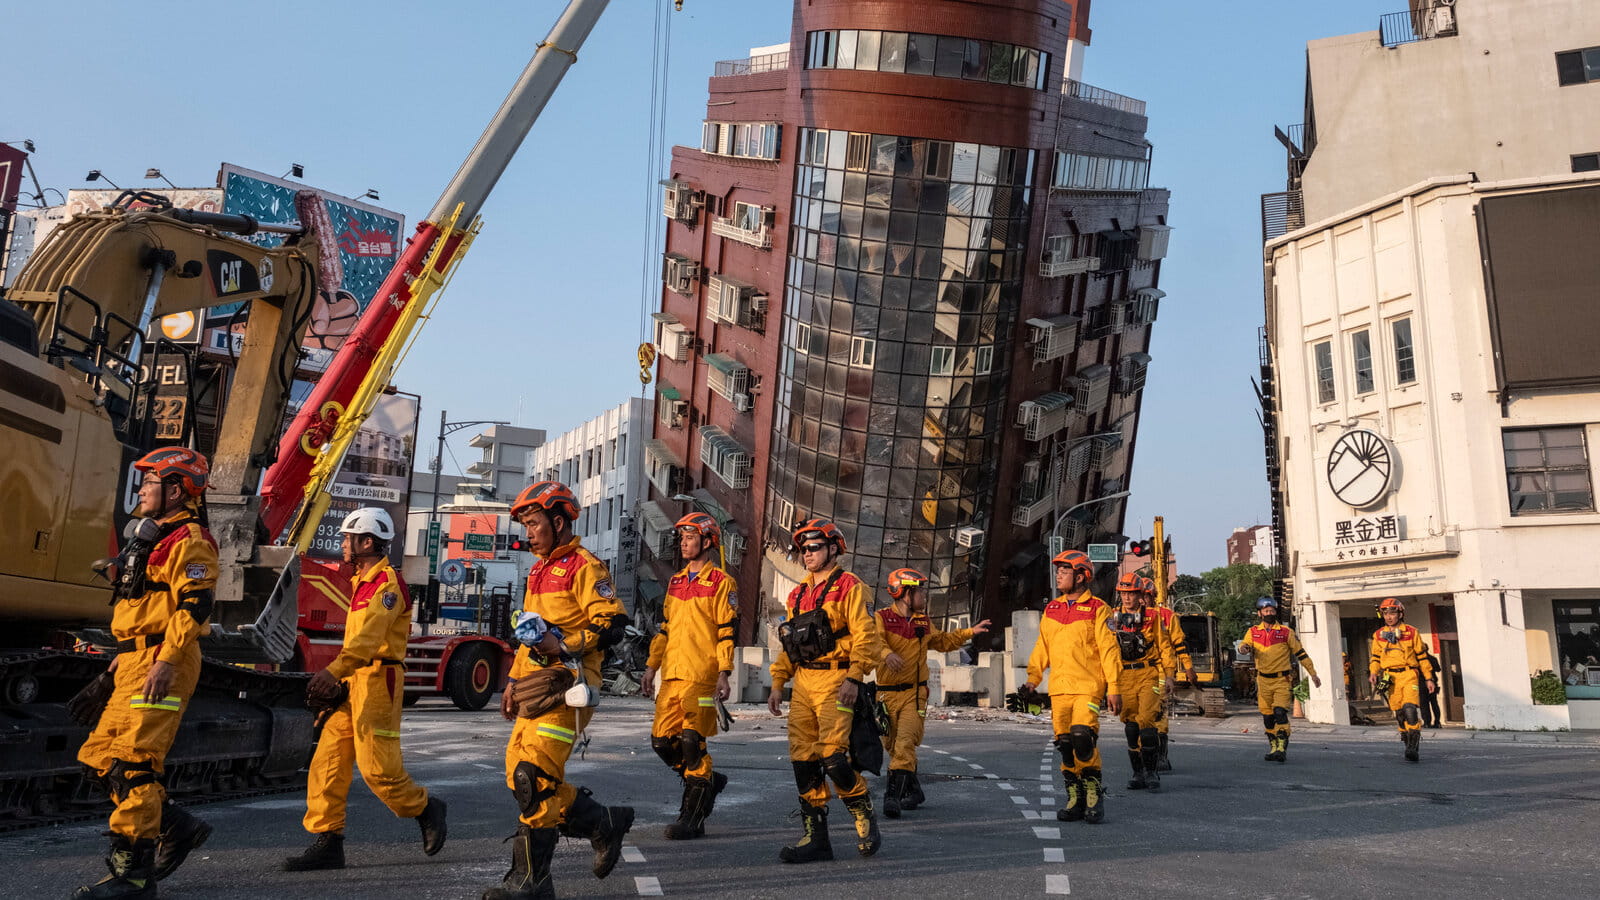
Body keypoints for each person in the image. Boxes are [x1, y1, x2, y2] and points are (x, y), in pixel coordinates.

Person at [74, 448, 218, 899]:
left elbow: (195, 606)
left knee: (134, 763)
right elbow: (146, 604)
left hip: (165, 661)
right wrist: (125, 653)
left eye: (151, 482)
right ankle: (177, 825)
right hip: (138, 659)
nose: (142, 490)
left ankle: (133, 877)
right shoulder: (153, 537)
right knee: (102, 759)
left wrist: (164, 660)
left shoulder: (191, 540)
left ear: (175, 490)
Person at [483, 481, 634, 900]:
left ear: (559, 520)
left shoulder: (585, 566)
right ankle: (603, 822)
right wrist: (512, 682)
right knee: (522, 777)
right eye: (527, 524)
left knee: (533, 777)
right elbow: (530, 634)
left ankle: (531, 882)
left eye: (534, 523)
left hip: (570, 686)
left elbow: (613, 626)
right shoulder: (538, 570)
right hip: (534, 686)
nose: (529, 532)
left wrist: (565, 644)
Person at [284, 507, 446, 871]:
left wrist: (332, 671)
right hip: (353, 680)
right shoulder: (362, 580)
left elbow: (369, 640)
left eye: (347, 538)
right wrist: (341, 677)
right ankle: (328, 840)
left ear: (367, 542)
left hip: (378, 682)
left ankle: (424, 807)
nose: (343, 544)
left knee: (378, 769)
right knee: (328, 760)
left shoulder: (386, 584)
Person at [767, 518, 883, 863]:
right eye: (803, 549)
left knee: (834, 758)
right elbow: (790, 643)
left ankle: (862, 810)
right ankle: (816, 838)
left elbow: (867, 636)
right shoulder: (798, 594)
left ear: (834, 548)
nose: (807, 554)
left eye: (814, 547)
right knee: (803, 761)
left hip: (837, 680)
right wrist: (777, 683)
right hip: (803, 682)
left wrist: (855, 677)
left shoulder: (850, 586)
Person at [639, 512, 736, 840]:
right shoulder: (676, 581)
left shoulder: (722, 583)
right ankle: (707, 781)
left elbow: (726, 631)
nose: (683, 543)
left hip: (703, 675)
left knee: (692, 742)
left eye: (690, 537)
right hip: (673, 675)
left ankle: (691, 819)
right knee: (662, 743)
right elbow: (664, 630)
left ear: (708, 542)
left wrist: (725, 672)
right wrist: (652, 667)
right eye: (682, 538)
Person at [874, 567, 989, 817]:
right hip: (884, 695)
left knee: (905, 744)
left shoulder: (923, 623)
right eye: (919, 591)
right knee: (893, 747)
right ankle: (914, 791)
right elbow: (874, 642)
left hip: (914, 695)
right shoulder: (882, 618)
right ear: (904, 593)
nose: (924, 596)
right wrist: (887, 654)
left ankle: (891, 797)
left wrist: (970, 632)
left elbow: (944, 641)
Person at [1019, 550, 1122, 824]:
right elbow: (1042, 647)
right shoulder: (1052, 609)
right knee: (1065, 745)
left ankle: (1093, 794)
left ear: (1081, 576)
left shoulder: (1100, 609)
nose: (1059, 575)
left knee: (1082, 738)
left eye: (1065, 571)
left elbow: (1110, 651)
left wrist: (1114, 687)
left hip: (1088, 686)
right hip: (1059, 688)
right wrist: (1033, 679)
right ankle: (1074, 797)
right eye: (1058, 570)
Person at [1110, 573, 1175, 791]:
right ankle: (1137, 773)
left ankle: (1151, 771)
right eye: (1123, 593)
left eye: (1132, 593)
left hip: (1148, 674)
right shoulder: (1112, 617)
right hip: (1124, 676)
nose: (1127, 598)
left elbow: (1165, 646)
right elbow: (1105, 649)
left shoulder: (1153, 617)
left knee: (1147, 724)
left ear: (1141, 595)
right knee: (1131, 727)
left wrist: (1169, 675)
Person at [1239, 597, 1321, 763]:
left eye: (1272, 611)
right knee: (1267, 716)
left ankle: (1282, 747)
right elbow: (1244, 645)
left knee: (1280, 712)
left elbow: (1301, 653)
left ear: (1276, 612)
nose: (1269, 614)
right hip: (1262, 680)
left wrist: (1312, 673)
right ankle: (1273, 746)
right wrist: (1244, 648)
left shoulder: (1286, 632)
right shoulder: (1253, 631)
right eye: (1266, 611)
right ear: (1259, 613)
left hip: (1281, 679)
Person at [1368, 598, 1437, 762]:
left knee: (1410, 709)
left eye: (1392, 613)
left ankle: (1413, 746)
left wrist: (1428, 678)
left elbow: (1422, 657)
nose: (1389, 617)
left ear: (1400, 613)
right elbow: (1376, 657)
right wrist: (1373, 673)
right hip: (1390, 677)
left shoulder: (1412, 632)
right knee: (1399, 714)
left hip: (1409, 674)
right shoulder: (1378, 635)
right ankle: (1406, 741)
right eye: (1385, 613)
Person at [1143, 577, 1195, 772]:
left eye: (1145, 596)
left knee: (1158, 712)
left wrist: (1188, 667)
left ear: (1151, 596)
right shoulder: (1129, 616)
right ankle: (1145, 755)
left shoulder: (1166, 616)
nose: (1141, 600)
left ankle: (1161, 756)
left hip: (1160, 671)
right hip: (1137, 673)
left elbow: (1178, 644)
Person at [1419, 647, 1443, 728]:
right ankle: (1437, 722)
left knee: (1424, 704)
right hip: (1433, 682)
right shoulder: (1432, 658)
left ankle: (1427, 722)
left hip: (1421, 684)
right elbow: (1438, 669)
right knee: (1434, 703)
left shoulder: (1418, 660)